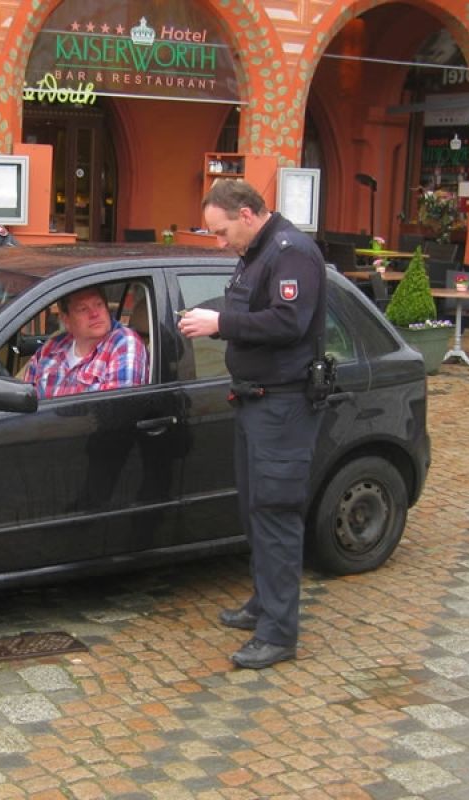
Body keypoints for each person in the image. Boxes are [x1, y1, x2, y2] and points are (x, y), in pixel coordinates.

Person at [177, 179, 326, 670]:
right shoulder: (257, 252)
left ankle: (279, 635)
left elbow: (288, 322)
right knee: (255, 511)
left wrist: (219, 325)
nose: (220, 244)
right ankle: (264, 603)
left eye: (221, 233)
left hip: (283, 407)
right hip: (254, 402)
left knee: (277, 515)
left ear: (245, 214)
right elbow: (250, 311)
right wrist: (215, 315)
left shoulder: (291, 252)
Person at [25, 286, 148, 398]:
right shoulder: (50, 348)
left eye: (99, 304)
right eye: (83, 309)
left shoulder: (124, 342)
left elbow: (116, 410)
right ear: (66, 320)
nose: (94, 314)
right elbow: (23, 401)